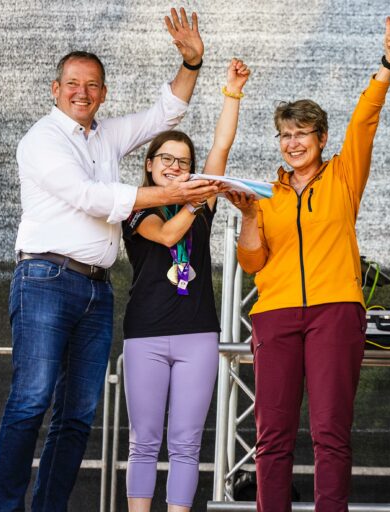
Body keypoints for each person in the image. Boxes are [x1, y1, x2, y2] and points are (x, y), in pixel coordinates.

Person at [0, 8, 219, 511]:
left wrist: (192, 63)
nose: (82, 92)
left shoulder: (107, 136)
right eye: (73, 83)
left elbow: (164, 115)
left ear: (104, 93)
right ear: (55, 89)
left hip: (97, 288)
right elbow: (91, 196)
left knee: (77, 414)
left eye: (92, 85)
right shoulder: (42, 140)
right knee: (31, 400)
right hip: (45, 277)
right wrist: (170, 192)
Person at [227, 17, 390, 512]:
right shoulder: (266, 194)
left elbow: (364, 119)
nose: (292, 142)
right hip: (276, 314)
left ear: (322, 138)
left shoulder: (344, 177)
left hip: (335, 312)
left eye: (302, 133)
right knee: (272, 436)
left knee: (330, 433)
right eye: (285, 134)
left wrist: (387, 65)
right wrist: (247, 218)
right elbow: (252, 262)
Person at [121, 58, 250, 512]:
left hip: (197, 333)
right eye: (167, 160)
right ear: (150, 165)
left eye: (185, 162)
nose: (176, 167)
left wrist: (231, 93)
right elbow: (169, 234)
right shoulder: (137, 210)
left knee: (186, 442)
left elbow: (221, 148)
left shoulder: (201, 203)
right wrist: (197, 199)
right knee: (144, 441)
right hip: (145, 335)